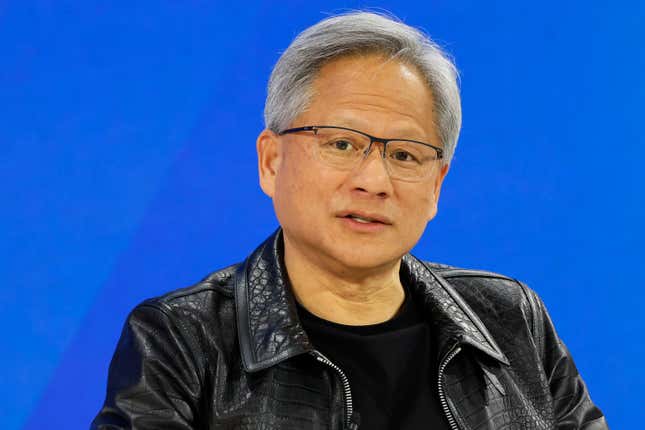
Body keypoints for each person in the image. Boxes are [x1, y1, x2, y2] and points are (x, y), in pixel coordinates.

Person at [91, 11, 608, 430]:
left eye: (405, 155)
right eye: (341, 143)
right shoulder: (182, 340)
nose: (374, 181)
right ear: (271, 162)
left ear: (437, 185)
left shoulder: (510, 318)